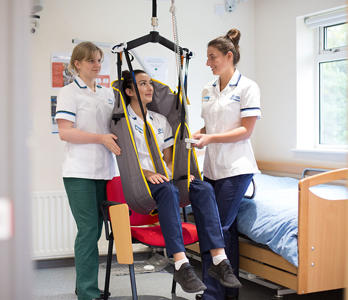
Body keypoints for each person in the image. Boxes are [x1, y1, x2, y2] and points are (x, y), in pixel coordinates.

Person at [121, 69, 242, 294]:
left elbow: (168, 159)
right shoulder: (123, 123)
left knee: (203, 187)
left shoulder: (161, 120)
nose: (149, 88)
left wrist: (185, 174)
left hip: (164, 179)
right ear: (128, 91)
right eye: (142, 84)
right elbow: (128, 160)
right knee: (168, 190)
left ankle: (219, 259)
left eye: (150, 83)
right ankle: (180, 263)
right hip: (142, 183)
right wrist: (146, 174)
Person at [192, 28, 261, 300]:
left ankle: (211, 294)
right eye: (207, 57)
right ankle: (228, 294)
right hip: (212, 169)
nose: (208, 63)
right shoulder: (208, 89)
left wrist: (210, 137)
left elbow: (246, 130)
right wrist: (199, 133)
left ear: (228, 56)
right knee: (226, 231)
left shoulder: (247, 87)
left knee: (215, 228)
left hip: (236, 168)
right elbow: (210, 124)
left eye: (212, 57)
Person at [55, 42, 121, 300]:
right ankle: (87, 292)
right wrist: (101, 138)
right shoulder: (69, 93)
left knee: (97, 229)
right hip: (79, 172)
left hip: (104, 171)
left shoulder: (107, 93)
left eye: (99, 60)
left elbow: (116, 128)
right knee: (89, 231)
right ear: (77, 64)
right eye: (91, 60)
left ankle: (86, 286)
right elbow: (65, 132)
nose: (96, 65)